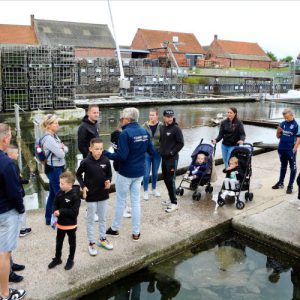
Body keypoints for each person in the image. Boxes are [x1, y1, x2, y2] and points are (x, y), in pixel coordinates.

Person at [104, 107, 156, 241]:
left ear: (127, 119)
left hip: (126, 172)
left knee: (121, 201)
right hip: (140, 172)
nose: (121, 120)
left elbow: (122, 156)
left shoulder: (125, 134)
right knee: (136, 202)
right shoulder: (144, 131)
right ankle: (136, 233)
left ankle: (114, 229)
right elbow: (151, 151)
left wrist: (106, 154)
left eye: (122, 118)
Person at [0, 123, 26, 300]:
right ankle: (4, 294)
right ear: (5, 139)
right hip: (6, 213)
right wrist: (21, 208)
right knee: (4, 253)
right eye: (9, 136)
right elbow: (14, 192)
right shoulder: (7, 163)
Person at [76, 138, 113, 255]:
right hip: (91, 196)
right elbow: (78, 174)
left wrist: (108, 181)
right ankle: (91, 243)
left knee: (103, 218)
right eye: (96, 149)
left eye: (101, 149)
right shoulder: (86, 162)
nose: (99, 151)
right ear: (90, 149)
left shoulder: (106, 160)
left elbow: (109, 175)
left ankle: (102, 239)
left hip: (103, 194)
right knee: (91, 220)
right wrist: (83, 186)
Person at [48, 171, 81, 271]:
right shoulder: (59, 192)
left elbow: (74, 212)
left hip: (71, 225)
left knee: (72, 243)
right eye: (59, 183)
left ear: (70, 184)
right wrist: (54, 210)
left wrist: (61, 211)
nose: (60, 185)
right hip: (60, 225)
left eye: (62, 184)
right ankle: (58, 258)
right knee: (58, 243)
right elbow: (54, 203)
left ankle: (70, 259)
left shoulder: (75, 196)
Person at [41, 114, 68, 225]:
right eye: (55, 123)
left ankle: (48, 219)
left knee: (53, 194)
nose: (58, 125)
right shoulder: (48, 139)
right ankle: (61, 219)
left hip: (58, 167)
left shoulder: (54, 136)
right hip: (54, 169)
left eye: (57, 122)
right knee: (60, 194)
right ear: (48, 125)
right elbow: (61, 154)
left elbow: (66, 149)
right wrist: (61, 148)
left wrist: (62, 148)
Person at [160, 109, 184, 213]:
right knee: (165, 179)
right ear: (164, 117)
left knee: (171, 180)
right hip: (164, 159)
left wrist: (171, 153)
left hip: (172, 159)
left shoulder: (176, 129)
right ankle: (171, 198)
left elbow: (181, 143)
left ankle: (174, 203)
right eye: (168, 116)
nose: (170, 118)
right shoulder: (162, 127)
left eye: (171, 116)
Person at [272, 108, 300, 194]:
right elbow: (278, 136)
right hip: (282, 149)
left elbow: (299, 138)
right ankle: (280, 183)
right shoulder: (282, 124)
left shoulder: (296, 125)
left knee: (293, 167)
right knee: (283, 166)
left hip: (290, 149)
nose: (286, 119)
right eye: (285, 117)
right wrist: (278, 131)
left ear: (292, 115)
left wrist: (295, 148)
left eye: (287, 117)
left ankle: (290, 185)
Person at [6, 145, 31, 237]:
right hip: (19, 192)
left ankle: (20, 228)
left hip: (14, 192)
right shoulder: (13, 165)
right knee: (22, 210)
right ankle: (22, 229)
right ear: (11, 154)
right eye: (16, 153)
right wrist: (26, 181)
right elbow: (17, 180)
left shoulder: (7, 164)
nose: (18, 155)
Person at [111, 119, 131, 218]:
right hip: (120, 165)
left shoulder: (115, 134)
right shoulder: (120, 135)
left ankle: (125, 206)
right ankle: (122, 210)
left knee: (124, 188)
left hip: (121, 164)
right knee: (121, 189)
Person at [142, 108, 163, 200]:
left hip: (157, 153)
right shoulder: (144, 126)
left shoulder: (162, 126)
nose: (151, 117)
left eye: (153, 115)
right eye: (150, 115)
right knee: (146, 173)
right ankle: (145, 191)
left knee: (155, 173)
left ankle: (154, 189)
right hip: (146, 153)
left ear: (157, 116)